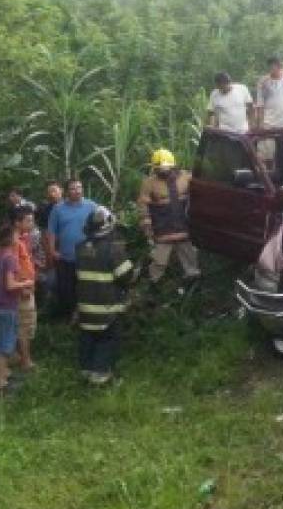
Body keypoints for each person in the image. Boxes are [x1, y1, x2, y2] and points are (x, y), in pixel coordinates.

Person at [75, 206, 136, 385]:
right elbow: (126, 276)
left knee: (87, 336)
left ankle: (86, 370)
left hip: (85, 306)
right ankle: (100, 375)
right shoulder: (113, 250)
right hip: (107, 306)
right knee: (107, 339)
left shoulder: (80, 248)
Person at [138, 148, 201, 291]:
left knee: (190, 256)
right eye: (158, 169)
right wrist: (147, 226)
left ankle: (193, 285)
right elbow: (143, 205)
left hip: (184, 227)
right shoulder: (149, 183)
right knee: (159, 260)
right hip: (163, 229)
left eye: (164, 168)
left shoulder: (186, 178)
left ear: (173, 165)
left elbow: (199, 196)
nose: (162, 171)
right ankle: (154, 285)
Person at [0, 224, 33, 393]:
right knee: (5, 347)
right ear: (10, 239)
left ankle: (4, 375)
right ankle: (0, 383)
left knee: (2, 342)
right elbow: (9, 284)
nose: (19, 238)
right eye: (16, 236)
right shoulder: (10, 258)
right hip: (8, 306)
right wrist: (26, 283)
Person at [45, 178, 96, 320]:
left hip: (87, 256)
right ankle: (67, 318)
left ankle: (84, 316)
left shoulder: (91, 206)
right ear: (67, 191)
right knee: (65, 289)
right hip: (65, 257)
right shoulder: (58, 209)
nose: (77, 191)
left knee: (85, 287)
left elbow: (104, 223)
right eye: (73, 188)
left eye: (79, 187)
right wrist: (52, 251)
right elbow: (51, 232)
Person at [13, 206, 40, 372]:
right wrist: (23, 287)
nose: (32, 223)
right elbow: (13, 267)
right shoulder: (15, 243)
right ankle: (25, 360)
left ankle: (19, 356)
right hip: (23, 290)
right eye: (28, 220)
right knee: (25, 325)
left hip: (27, 286)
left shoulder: (23, 239)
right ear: (17, 223)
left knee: (25, 324)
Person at [254, 55, 283, 131]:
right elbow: (260, 104)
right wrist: (261, 123)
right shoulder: (263, 82)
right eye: (270, 67)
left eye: (273, 67)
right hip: (269, 125)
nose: (271, 70)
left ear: (280, 66)